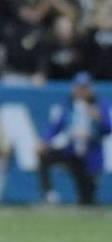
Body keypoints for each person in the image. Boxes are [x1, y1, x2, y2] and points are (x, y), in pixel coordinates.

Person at [37, 72, 110, 205]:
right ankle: (49, 194)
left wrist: (98, 119)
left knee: (87, 197)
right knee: (44, 156)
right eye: (79, 87)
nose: (82, 91)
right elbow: (55, 126)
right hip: (71, 152)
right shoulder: (68, 105)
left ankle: (85, 201)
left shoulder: (99, 105)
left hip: (89, 155)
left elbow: (108, 129)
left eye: (85, 88)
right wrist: (44, 140)